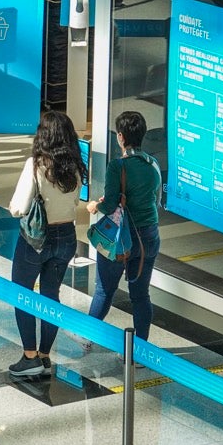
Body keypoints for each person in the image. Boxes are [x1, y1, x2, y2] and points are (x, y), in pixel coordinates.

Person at [5, 111, 87, 377]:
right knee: (51, 296)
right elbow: (75, 202)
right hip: (67, 237)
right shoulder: (75, 166)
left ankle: (29, 357)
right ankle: (45, 355)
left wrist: (13, 207)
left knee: (23, 294)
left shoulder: (36, 164)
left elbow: (19, 208)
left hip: (35, 240)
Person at [86, 111, 162, 344]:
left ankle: (87, 336)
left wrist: (93, 206)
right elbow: (155, 199)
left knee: (104, 290)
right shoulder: (153, 164)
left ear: (120, 137)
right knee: (140, 295)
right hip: (149, 234)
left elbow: (109, 205)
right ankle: (141, 350)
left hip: (121, 238)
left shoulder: (117, 166)